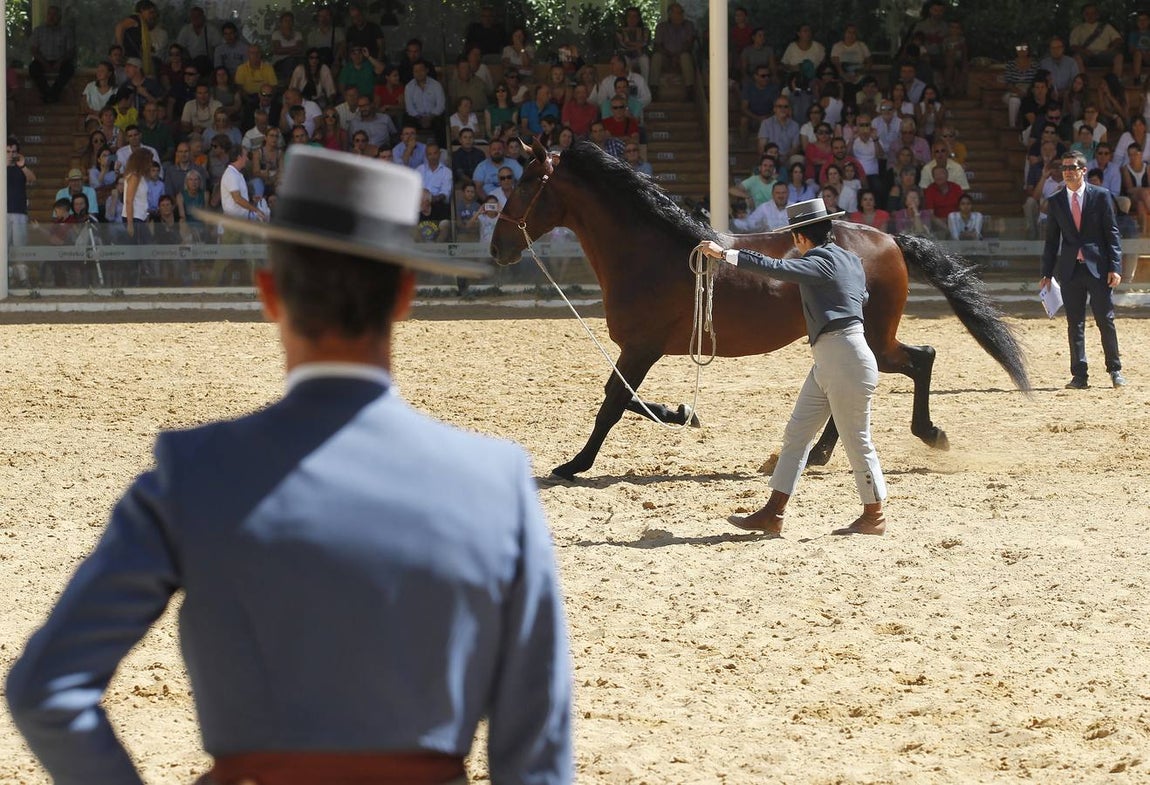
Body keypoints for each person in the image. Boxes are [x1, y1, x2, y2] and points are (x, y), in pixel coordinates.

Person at [7, 145, 574, 784]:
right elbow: (537, 759)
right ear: (404, 296)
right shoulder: (496, 483)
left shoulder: (192, 472)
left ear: (269, 294)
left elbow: (45, 689)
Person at [698, 198, 887, 536]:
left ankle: (874, 516)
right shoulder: (851, 260)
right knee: (797, 434)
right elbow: (863, 299)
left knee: (857, 440)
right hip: (833, 358)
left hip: (842, 358)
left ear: (800, 237)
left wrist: (724, 254)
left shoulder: (819, 261)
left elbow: (775, 268)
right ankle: (773, 512)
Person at [1040, 150, 1124, 389]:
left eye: (1072, 167)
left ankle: (1115, 369)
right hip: (1070, 270)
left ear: (1083, 170)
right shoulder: (1055, 201)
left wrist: (1115, 267)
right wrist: (1046, 273)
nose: (1067, 172)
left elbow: (1112, 234)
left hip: (1098, 268)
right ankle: (1079, 375)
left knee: (1105, 320)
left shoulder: (1101, 195)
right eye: (1064, 168)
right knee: (1074, 323)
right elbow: (1051, 241)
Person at [650, 3, 697, 99]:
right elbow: (658, 45)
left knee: (685, 56)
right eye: (678, 12)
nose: (681, 15)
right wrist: (670, 56)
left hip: (681, 57)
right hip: (666, 57)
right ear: (670, 14)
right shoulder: (661, 27)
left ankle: (690, 89)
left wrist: (677, 56)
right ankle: (653, 88)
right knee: (656, 57)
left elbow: (689, 44)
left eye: (682, 12)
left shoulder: (688, 25)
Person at [7, 137, 36, 247]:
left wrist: (23, 166)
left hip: (19, 211)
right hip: (3, 212)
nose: (11, 154)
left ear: (17, 153)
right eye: (8, 151)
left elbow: (32, 179)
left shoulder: (20, 168)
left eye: (13, 152)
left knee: (20, 246)